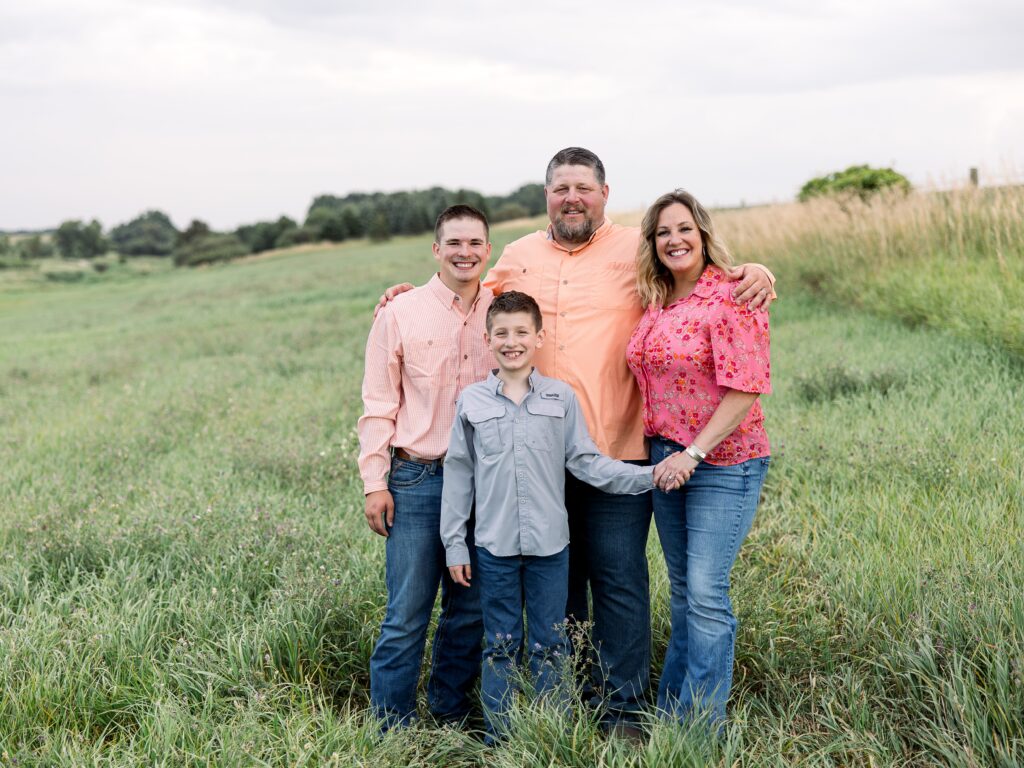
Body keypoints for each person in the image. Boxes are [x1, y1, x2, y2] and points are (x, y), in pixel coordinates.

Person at [378, 147, 776, 734]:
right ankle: (558, 702)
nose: (572, 198)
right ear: (547, 195)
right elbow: (470, 295)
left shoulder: (634, 252)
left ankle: (623, 710)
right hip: (535, 459)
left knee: (619, 585)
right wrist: (407, 297)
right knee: (554, 590)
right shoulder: (516, 256)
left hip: (617, 450)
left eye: (583, 188)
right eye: (561, 187)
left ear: (604, 194)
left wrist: (756, 271)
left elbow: (692, 275)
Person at [440, 291, 671, 742]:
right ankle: (501, 738)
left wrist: (650, 476)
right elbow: (458, 476)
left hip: (550, 548)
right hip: (494, 547)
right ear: (487, 340)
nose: (512, 342)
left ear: (539, 338)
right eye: (501, 333)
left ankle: (551, 732)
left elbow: (587, 462)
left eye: (522, 332)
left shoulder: (560, 398)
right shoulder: (472, 402)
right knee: (500, 645)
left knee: (551, 644)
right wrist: (454, 543)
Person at [626, 189, 772, 729]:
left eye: (684, 228)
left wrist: (694, 453)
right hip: (664, 460)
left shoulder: (734, 294)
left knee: (708, 594)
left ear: (703, 233)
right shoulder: (655, 299)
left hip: (722, 464)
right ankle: (673, 713)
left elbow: (746, 387)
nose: (674, 239)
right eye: (663, 232)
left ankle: (700, 729)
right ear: (653, 243)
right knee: (684, 591)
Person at [356, 204, 495, 729]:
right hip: (416, 479)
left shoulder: (503, 310)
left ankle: (450, 712)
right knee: (407, 613)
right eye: (454, 243)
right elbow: (378, 404)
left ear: (488, 249)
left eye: (475, 243)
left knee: (471, 610)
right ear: (436, 250)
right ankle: (391, 725)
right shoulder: (399, 312)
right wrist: (375, 482)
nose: (465, 253)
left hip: (485, 483)